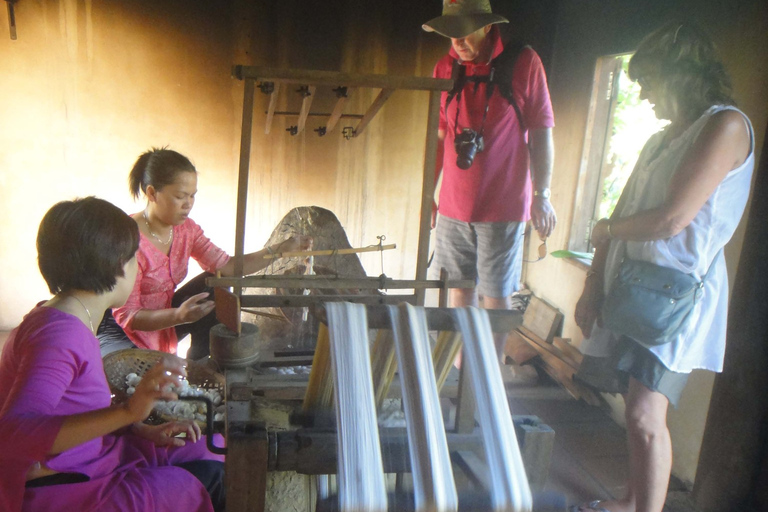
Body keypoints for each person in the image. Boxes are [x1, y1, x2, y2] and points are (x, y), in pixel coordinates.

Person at [572, 23, 754, 512]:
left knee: (647, 414)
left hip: (677, 295)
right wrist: (594, 284)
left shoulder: (726, 126)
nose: (645, 95)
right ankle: (634, 499)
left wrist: (609, 231)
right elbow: (624, 211)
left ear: (682, 76)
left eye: (650, 83)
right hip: (636, 285)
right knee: (635, 410)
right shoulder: (660, 140)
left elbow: (673, 219)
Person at [0, 197, 226, 512]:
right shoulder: (59, 335)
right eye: (134, 257)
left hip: (92, 455)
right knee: (211, 478)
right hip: (67, 488)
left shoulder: (73, 317)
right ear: (115, 264)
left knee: (210, 447)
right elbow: (14, 433)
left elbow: (68, 408)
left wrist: (138, 428)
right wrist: (128, 412)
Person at [423, 0, 557, 360]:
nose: (457, 41)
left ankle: (489, 380)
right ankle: (460, 372)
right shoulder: (444, 68)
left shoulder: (523, 63)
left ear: (486, 26)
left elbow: (542, 133)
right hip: (453, 205)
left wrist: (542, 194)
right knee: (458, 291)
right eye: (450, 33)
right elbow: (438, 138)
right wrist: (427, 195)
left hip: (503, 206)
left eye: (464, 31)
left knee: (496, 297)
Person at [98, 148, 312, 359]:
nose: (188, 204)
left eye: (192, 196)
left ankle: (201, 366)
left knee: (213, 283)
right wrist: (179, 316)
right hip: (122, 331)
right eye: (180, 196)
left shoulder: (187, 230)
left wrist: (280, 249)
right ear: (152, 193)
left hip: (167, 317)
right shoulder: (127, 239)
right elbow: (129, 316)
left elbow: (227, 266)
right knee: (131, 375)